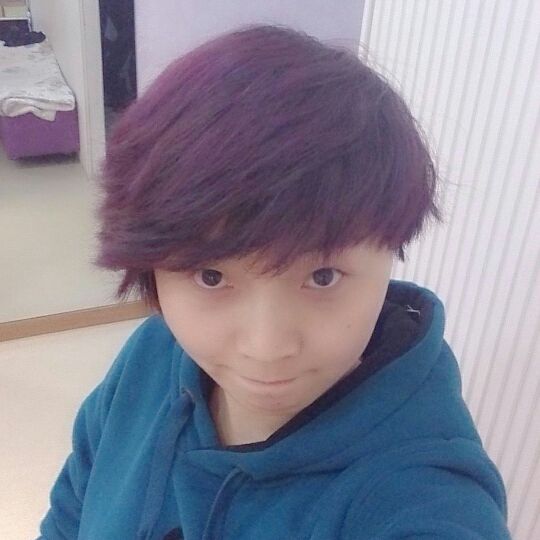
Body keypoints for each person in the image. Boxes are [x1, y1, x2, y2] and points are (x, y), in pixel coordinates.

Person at [37, 24, 511, 539]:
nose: (266, 347)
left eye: (322, 277)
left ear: (392, 252)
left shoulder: (424, 500)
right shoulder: (151, 358)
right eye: (211, 276)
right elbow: (70, 515)